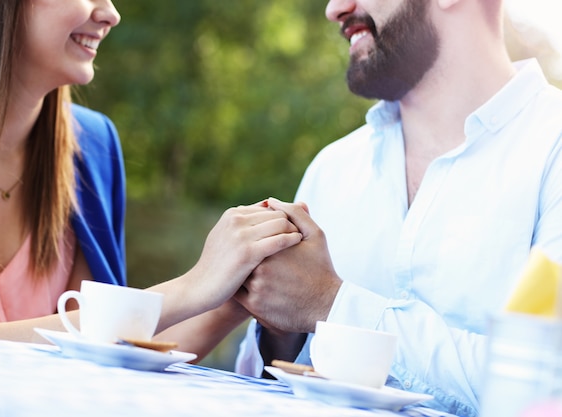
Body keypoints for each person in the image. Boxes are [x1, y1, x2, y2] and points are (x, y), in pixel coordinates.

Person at [233, 0, 562, 416]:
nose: (335, 9)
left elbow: (546, 390)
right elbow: (252, 382)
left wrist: (331, 305)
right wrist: (280, 327)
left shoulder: (554, 153)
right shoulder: (332, 168)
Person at [0, 0, 303, 361]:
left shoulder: (93, 146)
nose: (111, 14)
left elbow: (107, 343)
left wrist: (236, 285)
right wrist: (195, 285)